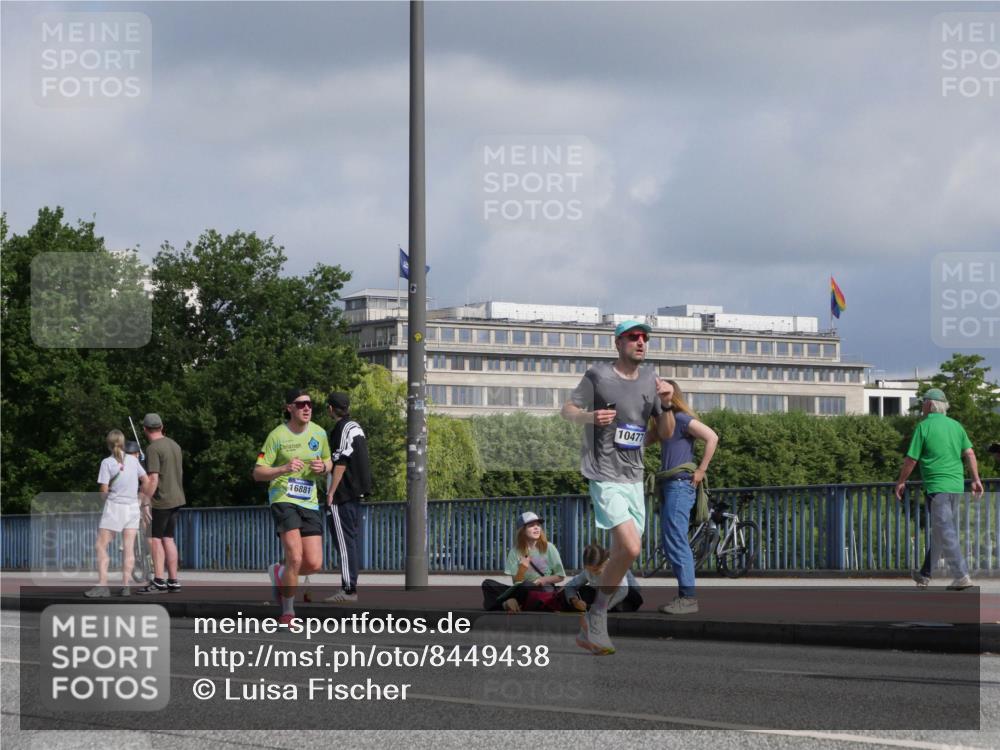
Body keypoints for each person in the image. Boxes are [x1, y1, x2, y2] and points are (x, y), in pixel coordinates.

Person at [561, 319, 673, 655]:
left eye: (644, 337)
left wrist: (667, 403)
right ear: (618, 343)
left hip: (634, 478)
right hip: (603, 473)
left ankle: (595, 616)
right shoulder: (598, 375)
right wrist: (589, 417)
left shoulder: (651, 380)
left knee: (625, 551)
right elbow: (567, 410)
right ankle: (598, 617)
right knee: (632, 547)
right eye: (633, 337)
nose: (641, 342)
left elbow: (665, 433)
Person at [253, 388, 332, 625]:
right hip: (283, 499)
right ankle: (288, 611)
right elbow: (258, 473)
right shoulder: (277, 436)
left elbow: (328, 460)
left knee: (314, 563)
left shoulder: (319, 433)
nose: (306, 408)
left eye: (309, 404)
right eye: (300, 404)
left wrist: (324, 468)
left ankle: (279, 572)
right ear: (289, 408)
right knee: (295, 557)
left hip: (309, 501)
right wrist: (283, 468)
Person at [895, 388, 984, 590]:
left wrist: (901, 481)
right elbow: (970, 453)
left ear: (929, 404)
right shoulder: (956, 426)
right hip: (956, 486)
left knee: (944, 529)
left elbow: (911, 459)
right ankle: (925, 574)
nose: (922, 406)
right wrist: (975, 479)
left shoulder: (923, 426)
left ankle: (961, 575)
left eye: (923, 402)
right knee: (940, 530)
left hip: (937, 487)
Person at [656, 379, 719, 615]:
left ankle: (688, 598)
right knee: (672, 539)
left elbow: (712, 437)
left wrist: (701, 470)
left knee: (676, 538)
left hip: (680, 485)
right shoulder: (665, 422)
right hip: (672, 486)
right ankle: (685, 596)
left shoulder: (681, 418)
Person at [86, 430, 148, 598]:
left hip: (115, 507)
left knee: (101, 545)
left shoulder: (107, 462)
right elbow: (146, 480)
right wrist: (140, 497)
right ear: (123, 443)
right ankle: (126, 586)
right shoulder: (133, 460)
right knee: (129, 547)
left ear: (109, 444)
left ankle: (103, 585)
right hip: (132, 508)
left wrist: (105, 497)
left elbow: (104, 490)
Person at [324, 392, 372, 603]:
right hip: (355, 493)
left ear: (330, 409)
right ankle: (350, 586)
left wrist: (331, 492)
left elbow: (340, 463)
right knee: (350, 541)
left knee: (343, 543)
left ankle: (348, 589)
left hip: (342, 494)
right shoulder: (356, 427)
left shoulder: (341, 429)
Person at [136, 413, 185, 595]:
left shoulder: (153, 449)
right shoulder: (175, 445)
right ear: (162, 426)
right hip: (177, 498)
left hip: (161, 500)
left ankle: (158, 581)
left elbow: (153, 479)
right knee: (169, 538)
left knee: (155, 539)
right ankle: (173, 580)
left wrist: (145, 502)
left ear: (145, 429)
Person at [501, 511, 566, 612]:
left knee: (541, 591)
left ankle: (510, 603)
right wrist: (522, 569)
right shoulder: (515, 552)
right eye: (531, 525)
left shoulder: (549, 547)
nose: (536, 528)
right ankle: (514, 603)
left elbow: (560, 576)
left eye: (538, 525)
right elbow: (516, 582)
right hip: (525, 589)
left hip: (544, 589)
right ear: (522, 530)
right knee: (488, 584)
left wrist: (543, 580)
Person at [563, 543, 640, 613]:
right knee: (583, 592)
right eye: (589, 570)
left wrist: (606, 608)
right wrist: (574, 600)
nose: (592, 574)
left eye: (596, 570)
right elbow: (571, 585)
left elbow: (623, 591)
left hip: (627, 594)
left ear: (605, 563)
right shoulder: (588, 571)